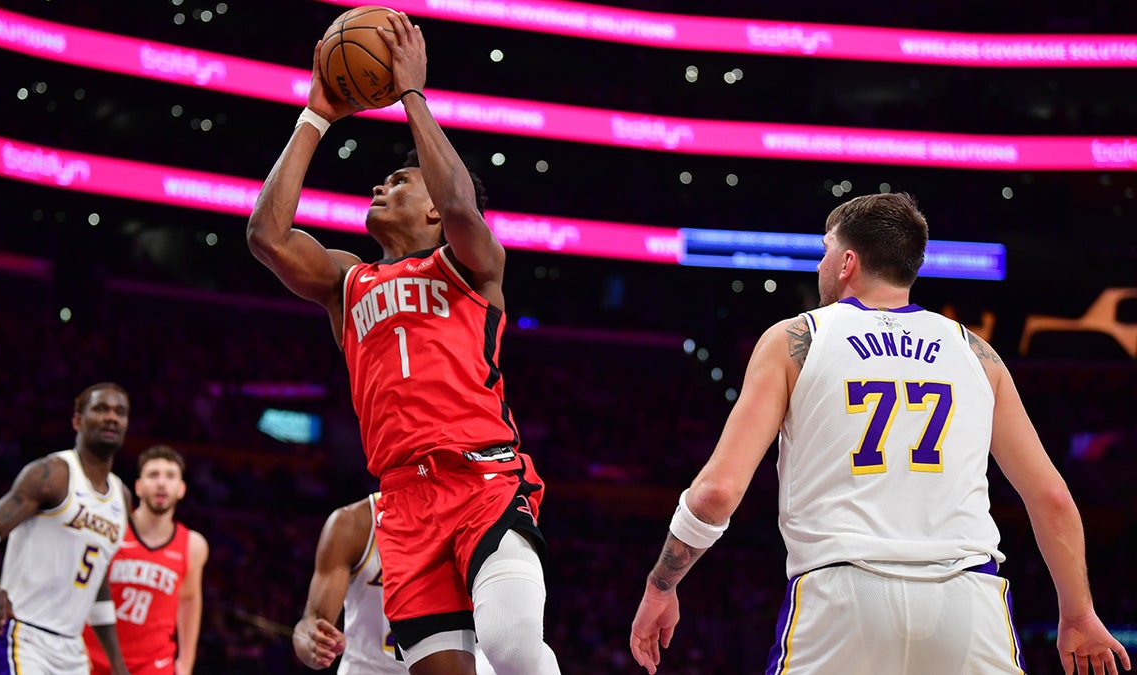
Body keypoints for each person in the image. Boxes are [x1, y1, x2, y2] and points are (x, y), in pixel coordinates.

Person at [630, 193, 1133, 675]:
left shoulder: (795, 338)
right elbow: (1050, 497)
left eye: (825, 252)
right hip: (968, 601)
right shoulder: (978, 353)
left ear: (847, 262)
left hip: (843, 593)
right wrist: (1078, 613)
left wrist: (661, 584)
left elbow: (717, 492)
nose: (820, 266)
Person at [246, 13, 559, 675]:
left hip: (483, 476)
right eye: (382, 180)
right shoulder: (346, 281)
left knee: (511, 649)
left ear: (432, 211)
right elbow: (267, 237)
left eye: (400, 181)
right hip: (403, 503)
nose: (379, 185)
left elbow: (463, 208)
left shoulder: (472, 266)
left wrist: (412, 94)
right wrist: (315, 114)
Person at [0, 382, 133, 675]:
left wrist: (117, 662)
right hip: (20, 636)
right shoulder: (53, 474)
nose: (112, 417)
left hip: (71, 651)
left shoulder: (122, 497)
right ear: (77, 420)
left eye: (120, 412)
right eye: (101, 409)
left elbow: (97, 584)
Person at [294, 494, 494, 674]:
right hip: (370, 669)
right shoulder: (353, 524)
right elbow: (312, 621)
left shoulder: (483, 516)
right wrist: (311, 642)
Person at [83, 444, 210, 675]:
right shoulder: (111, 529)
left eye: (170, 476)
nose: (161, 483)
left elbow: (190, 599)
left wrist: (185, 663)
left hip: (152, 664)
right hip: (93, 657)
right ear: (138, 487)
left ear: (181, 489)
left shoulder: (193, 545)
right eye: (153, 475)